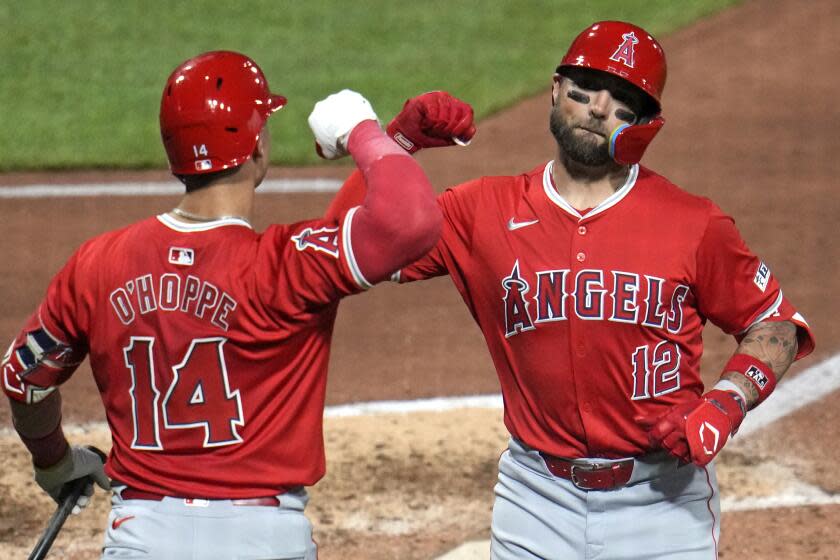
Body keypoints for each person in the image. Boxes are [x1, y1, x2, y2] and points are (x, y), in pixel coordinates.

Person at [326, 21, 815, 559]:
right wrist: (398, 143)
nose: (599, 107)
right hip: (534, 498)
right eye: (586, 88)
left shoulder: (693, 223)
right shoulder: (481, 211)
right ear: (556, 90)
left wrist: (727, 400)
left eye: (623, 100)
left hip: (662, 504)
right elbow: (339, 244)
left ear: (646, 124)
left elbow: (775, 324)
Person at [1, 50, 474, 559]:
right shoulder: (287, 268)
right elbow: (407, 223)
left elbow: (23, 379)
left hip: (141, 537)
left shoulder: (95, 264)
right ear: (256, 151)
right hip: (264, 541)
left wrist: (55, 462)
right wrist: (368, 132)